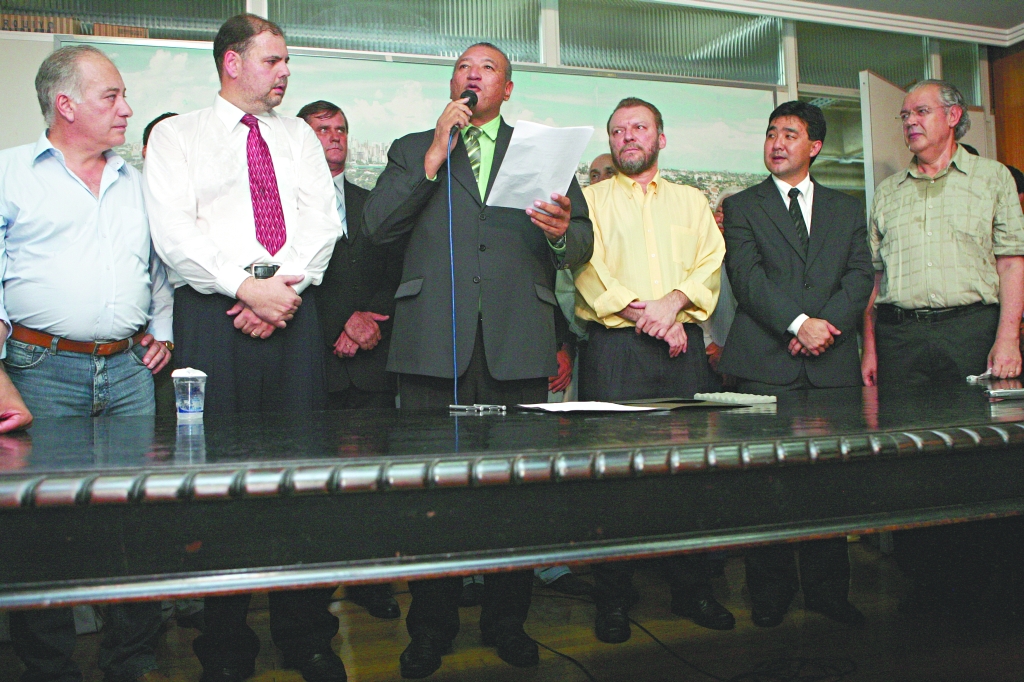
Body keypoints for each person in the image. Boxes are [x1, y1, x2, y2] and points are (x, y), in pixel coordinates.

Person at [363, 41, 593, 679]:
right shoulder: (415, 147)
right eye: (464, 67)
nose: (473, 75)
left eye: (487, 68)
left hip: (518, 343)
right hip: (432, 345)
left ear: (508, 88)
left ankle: (507, 624)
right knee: (430, 497)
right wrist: (435, 156)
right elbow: (377, 228)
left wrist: (559, 228)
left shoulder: (542, 151)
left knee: (514, 499)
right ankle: (429, 628)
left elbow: (581, 244)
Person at [143, 14, 344, 682]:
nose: (286, 72)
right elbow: (173, 231)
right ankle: (224, 649)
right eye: (273, 61)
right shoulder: (178, 136)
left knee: (302, 482)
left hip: (292, 313)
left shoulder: (299, 139)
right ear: (232, 62)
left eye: (287, 61)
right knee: (217, 486)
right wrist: (243, 287)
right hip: (212, 318)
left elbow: (323, 222)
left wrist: (277, 291)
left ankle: (307, 634)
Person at [0, 44, 174, 682]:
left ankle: (132, 662)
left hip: (130, 374)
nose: (127, 108)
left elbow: (159, 270)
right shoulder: (9, 173)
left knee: (138, 523)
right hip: (38, 372)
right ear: (65, 104)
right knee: (41, 528)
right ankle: (47, 669)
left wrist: (165, 333)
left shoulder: (138, 182)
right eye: (113, 96)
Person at [860, 79, 1024, 616]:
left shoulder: (993, 178)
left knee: (979, 455)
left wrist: (1008, 338)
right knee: (909, 459)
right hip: (901, 336)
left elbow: (1011, 262)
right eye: (904, 114)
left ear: (953, 116)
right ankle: (923, 577)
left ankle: (987, 581)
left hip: (972, 332)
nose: (908, 121)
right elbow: (873, 281)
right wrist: (870, 348)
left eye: (921, 111)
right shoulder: (889, 192)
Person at [573, 97, 731, 641]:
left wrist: (673, 306)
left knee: (687, 479)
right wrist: (650, 315)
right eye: (617, 131)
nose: (627, 137)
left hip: (681, 353)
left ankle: (694, 590)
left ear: (661, 138)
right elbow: (585, 270)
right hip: (615, 353)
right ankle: (613, 599)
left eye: (639, 128)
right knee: (614, 484)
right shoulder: (587, 201)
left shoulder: (692, 202)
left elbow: (710, 260)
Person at [719, 101, 873, 628]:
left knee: (830, 485)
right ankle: (770, 592)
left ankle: (829, 591)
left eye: (789, 133)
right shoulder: (741, 206)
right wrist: (797, 324)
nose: (777, 142)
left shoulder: (848, 208)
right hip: (764, 364)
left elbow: (859, 278)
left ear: (815, 147)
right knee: (766, 486)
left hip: (830, 367)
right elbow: (747, 278)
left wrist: (823, 326)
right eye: (770, 133)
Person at [298, 98, 403, 621]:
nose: (334, 137)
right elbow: (295, 278)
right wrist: (341, 321)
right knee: (316, 490)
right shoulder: (286, 202)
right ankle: (313, 592)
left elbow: (400, 270)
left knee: (371, 488)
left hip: (370, 361)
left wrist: (368, 319)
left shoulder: (372, 203)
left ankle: (370, 582)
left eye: (340, 129)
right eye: (321, 130)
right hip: (310, 362)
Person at [704, 186, 744, 382]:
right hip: (705, 356)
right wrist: (710, 346)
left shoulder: (754, 263)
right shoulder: (701, 256)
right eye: (719, 212)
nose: (721, 220)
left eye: (731, 215)